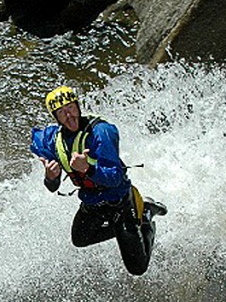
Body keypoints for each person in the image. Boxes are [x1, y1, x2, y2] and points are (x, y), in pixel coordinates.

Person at [29, 85, 166, 276]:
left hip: (119, 202)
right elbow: (52, 186)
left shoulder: (101, 132)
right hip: (92, 203)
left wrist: (88, 168)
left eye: (70, 108)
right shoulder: (54, 140)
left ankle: (146, 213)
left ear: (78, 107)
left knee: (137, 268)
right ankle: (125, 227)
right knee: (80, 239)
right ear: (56, 118)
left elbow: (115, 178)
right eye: (61, 113)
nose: (68, 116)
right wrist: (50, 177)